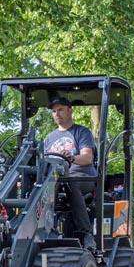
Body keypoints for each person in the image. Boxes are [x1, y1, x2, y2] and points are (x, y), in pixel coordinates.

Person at [44, 94, 98, 253]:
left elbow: (87, 158)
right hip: (56, 178)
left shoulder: (82, 132)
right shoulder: (49, 138)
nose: (57, 114)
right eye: (54, 111)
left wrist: (72, 158)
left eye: (60, 110)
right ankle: (42, 229)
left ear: (69, 110)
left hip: (82, 176)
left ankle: (86, 233)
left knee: (70, 183)